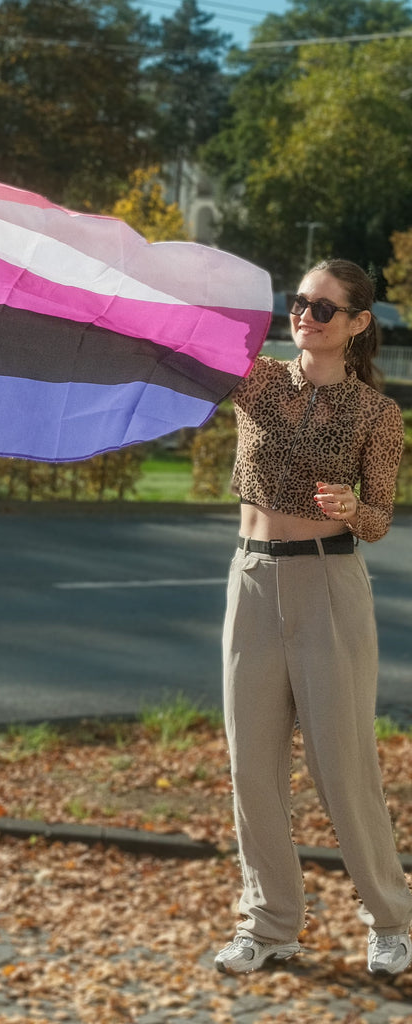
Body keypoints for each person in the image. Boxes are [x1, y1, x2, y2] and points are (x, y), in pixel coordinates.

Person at [214, 258, 412, 977]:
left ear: (359, 324)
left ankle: (390, 921)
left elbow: (383, 520)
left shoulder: (377, 415)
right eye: (300, 302)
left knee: (342, 763)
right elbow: (183, 346)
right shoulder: (255, 378)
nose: (306, 315)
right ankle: (269, 926)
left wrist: (352, 509)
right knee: (252, 766)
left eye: (325, 308)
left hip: (330, 586)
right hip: (252, 582)